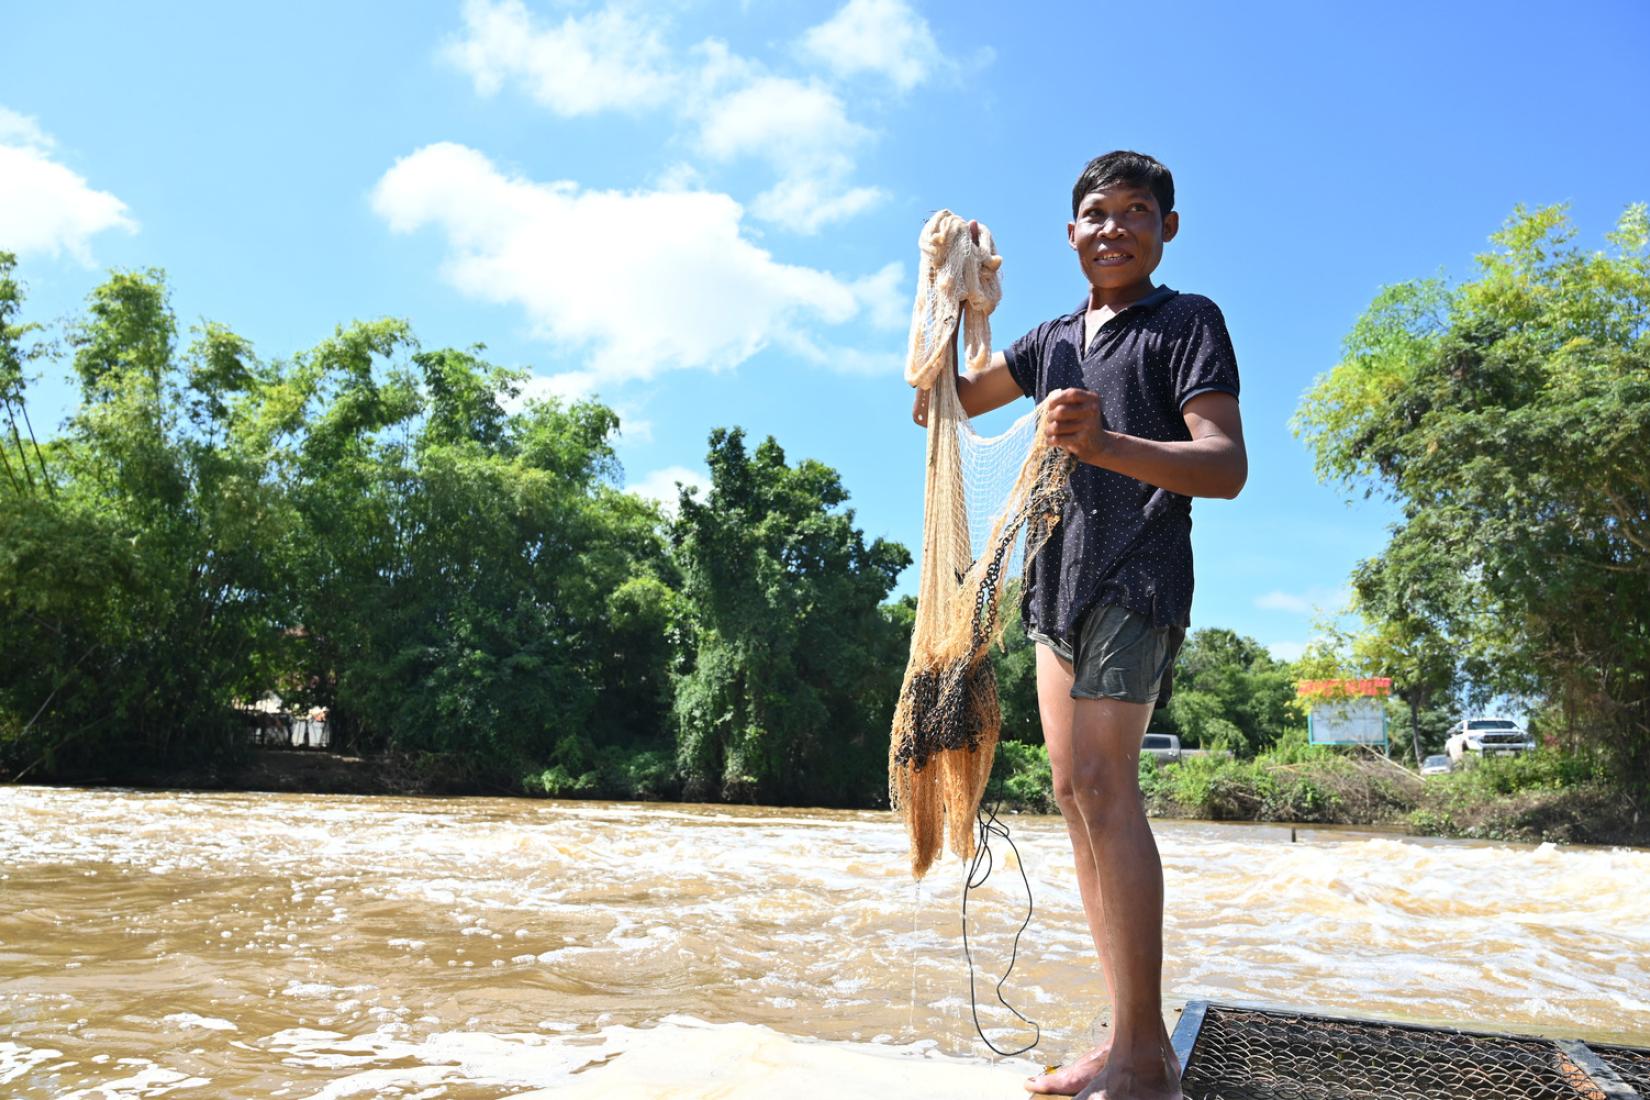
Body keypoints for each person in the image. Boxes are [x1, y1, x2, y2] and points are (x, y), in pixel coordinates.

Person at [910, 150, 1246, 1100]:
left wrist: (1103, 443)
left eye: (1137, 212)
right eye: (1096, 214)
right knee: (1071, 792)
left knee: (1105, 784)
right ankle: (1128, 1036)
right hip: (1052, 585)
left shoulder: (1186, 323)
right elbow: (951, 400)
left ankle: (1145, 1060)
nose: (1114, 228)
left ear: (1166, 229)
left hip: (1137, 575)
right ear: (1070, 234)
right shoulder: (1052, 335)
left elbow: (1223, 465)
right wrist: (957, 292)